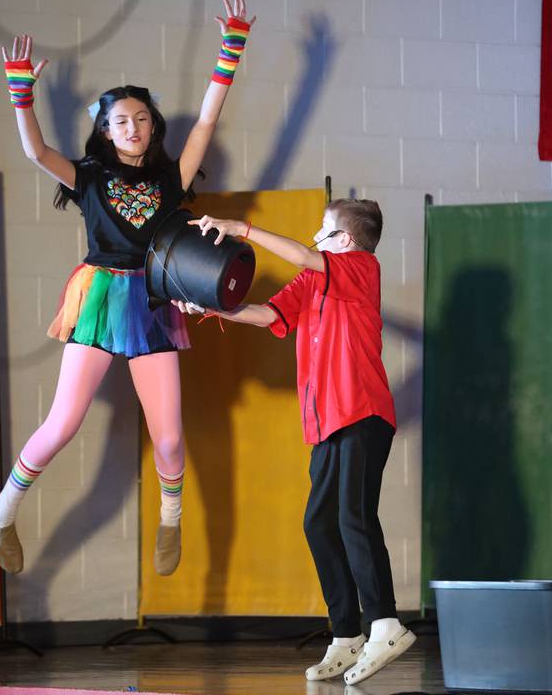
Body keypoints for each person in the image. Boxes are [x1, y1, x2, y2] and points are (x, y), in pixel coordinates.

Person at [0, 0, 255, 578]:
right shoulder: (89, 176)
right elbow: (34, 150)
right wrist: (20, 93)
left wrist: (230, 49)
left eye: (141, 118)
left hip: (153, 299)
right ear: (105, 132)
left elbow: (206, 121)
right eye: (119, 121)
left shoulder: (170, 175)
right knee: (63, 422)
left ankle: (171, 516)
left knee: (171, 436)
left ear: (152, 125)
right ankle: (3, 509)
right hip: (102, 294)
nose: (132, 127)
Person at [173, 200, 416, 685]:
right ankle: (347, 634)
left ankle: (385, 624)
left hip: (363, 411)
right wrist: (213, 304)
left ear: (344, 240)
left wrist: (239, 227)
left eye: (324, 229)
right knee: (318, 523)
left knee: (353, 516)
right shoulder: (313, 283)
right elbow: (268, 314)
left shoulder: (361, 268)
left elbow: (307, 258)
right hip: (326, 422)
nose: (315, 235)